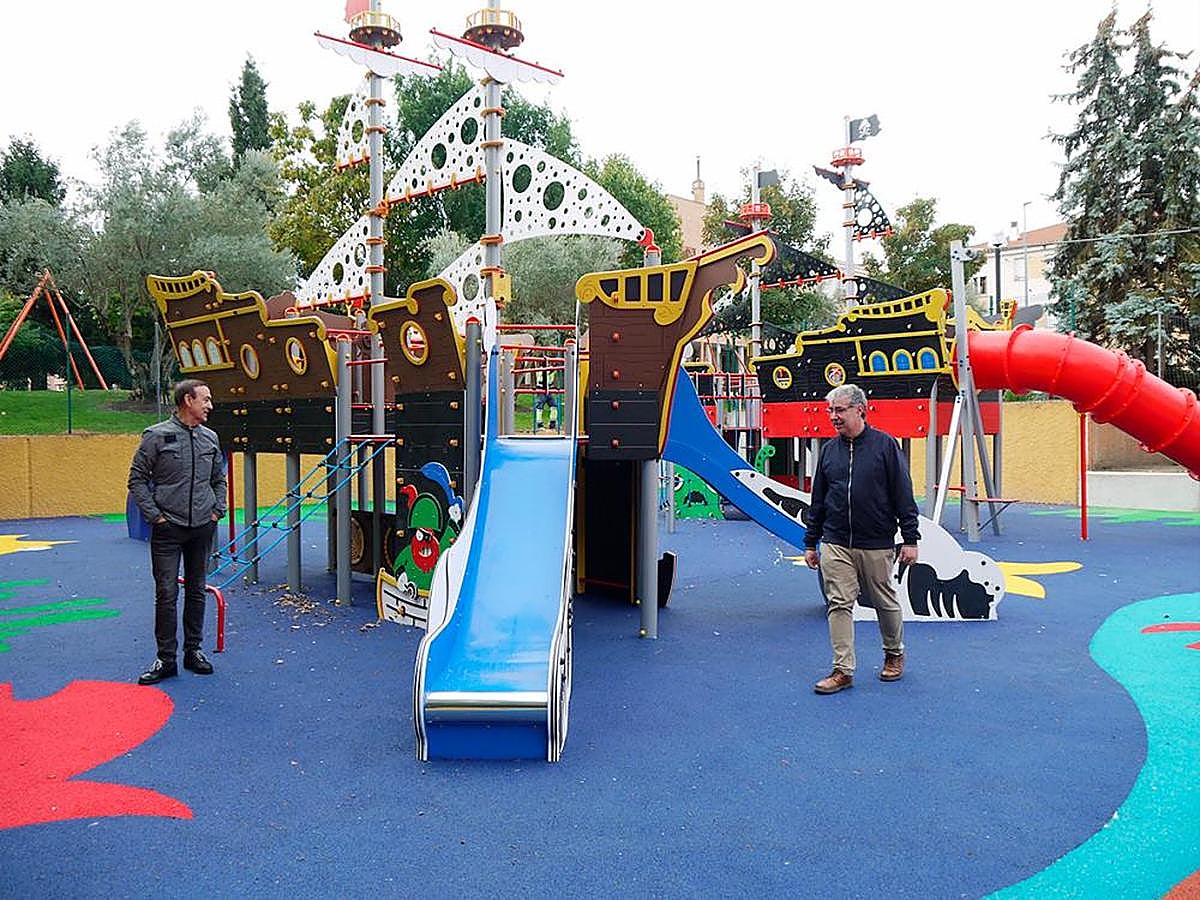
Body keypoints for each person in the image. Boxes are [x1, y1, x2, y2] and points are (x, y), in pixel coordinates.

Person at [804, 383, 920, 694]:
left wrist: (910, 538)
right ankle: (843, 670)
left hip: (876, 540)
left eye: (839, 410)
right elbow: (818, 500)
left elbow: (903, 494)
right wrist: (810, 541)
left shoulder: (885, 446)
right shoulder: (829, 451)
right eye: (831, 411)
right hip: (836, 541)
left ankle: (894, 653)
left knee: (884, 600)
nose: (833, 417)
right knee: (838, 603)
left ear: (860, 410)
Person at [128, 379, 226, 685]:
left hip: (201, 528)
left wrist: (216, 511)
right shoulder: (156, 436)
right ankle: (165, 659)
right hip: (168, 529)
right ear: (188, 400)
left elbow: (218, 479)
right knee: (166, 593)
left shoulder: (210, 437)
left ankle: (193, 652)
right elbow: (137, 480)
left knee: (197, 591)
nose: (210, 405)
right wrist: (155, 517)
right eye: (205, 400)